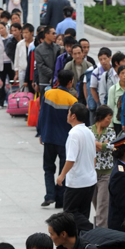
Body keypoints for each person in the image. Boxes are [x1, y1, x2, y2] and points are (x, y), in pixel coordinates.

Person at [37, 70, 78, 208]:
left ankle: (49, 195)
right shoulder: (72, 101)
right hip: (64, 140)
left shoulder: (48, 94)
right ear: (70, 82)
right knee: (63, 170)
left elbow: (41, 114)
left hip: (48, 137)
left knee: (48, 168)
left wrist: (40, 132)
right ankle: (60, 200)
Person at [57, 103, 97, 232]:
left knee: (69, 214)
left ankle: (91, 229)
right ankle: (83, 241)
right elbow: (93, 156)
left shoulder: (74, 134)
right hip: (90, 180)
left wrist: (62, 175)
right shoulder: (88, 132)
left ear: (73, 116)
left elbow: (70, 159)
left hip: (77, 182)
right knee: (83, 213)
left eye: (68, 113)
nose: (67, 116)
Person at [91, 106, 116, 228]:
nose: (109, 121)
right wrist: (102, 145)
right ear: (100, 118)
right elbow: (90, 146)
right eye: (108, 118)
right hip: (92, 172)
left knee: (102, 204)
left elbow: (111, 147)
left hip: (106, 173)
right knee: (96, 203)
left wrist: (96, 144)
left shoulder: (111, 131)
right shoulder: (89, 130)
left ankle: (100, 230)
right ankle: (102, 226)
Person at [35, 26, 60, 95]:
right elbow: (40, 65)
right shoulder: (38, 49)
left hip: (57, 81)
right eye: (53, 34)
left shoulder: (57, 48)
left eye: (55, 34)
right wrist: (53, 74)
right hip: (45, 81)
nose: (55, 36)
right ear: (46, 34)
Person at [108, 65, 125, 135]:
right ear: (118, 75)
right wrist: (110, 124)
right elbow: (110, 106)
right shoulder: (113, 89)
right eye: (122, 73)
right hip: (117, 121)